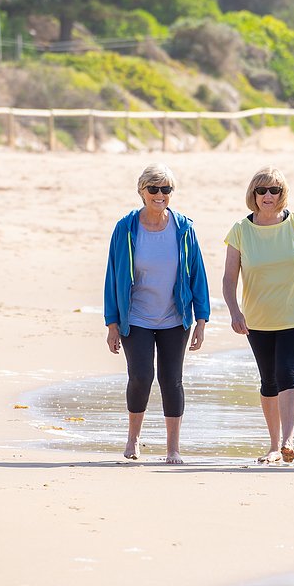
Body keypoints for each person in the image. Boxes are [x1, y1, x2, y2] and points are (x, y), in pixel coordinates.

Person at [222, 166, 294, 464]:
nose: (268, 196)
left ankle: (288, 440)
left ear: (283, 194)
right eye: (262, 191)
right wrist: (235, 312)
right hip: (256, 319)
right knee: (268, 380)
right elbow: (229, 279)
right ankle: (273, 445)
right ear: (253, 194)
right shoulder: (240, 231)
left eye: (274, 190)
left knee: (287, 373)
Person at [104, 163, 210, 464]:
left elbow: (198, 276)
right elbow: (113, 277)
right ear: (142, 192)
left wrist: (201, 319)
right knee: (140, 376)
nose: (160, 194)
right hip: (135, 316)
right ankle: (133, 439)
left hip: (175, 317)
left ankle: (173, 448)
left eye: (166, 189)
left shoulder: (184, 228)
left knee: (171, 379)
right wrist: (112, 325)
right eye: (153, 189)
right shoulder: (126, 228)